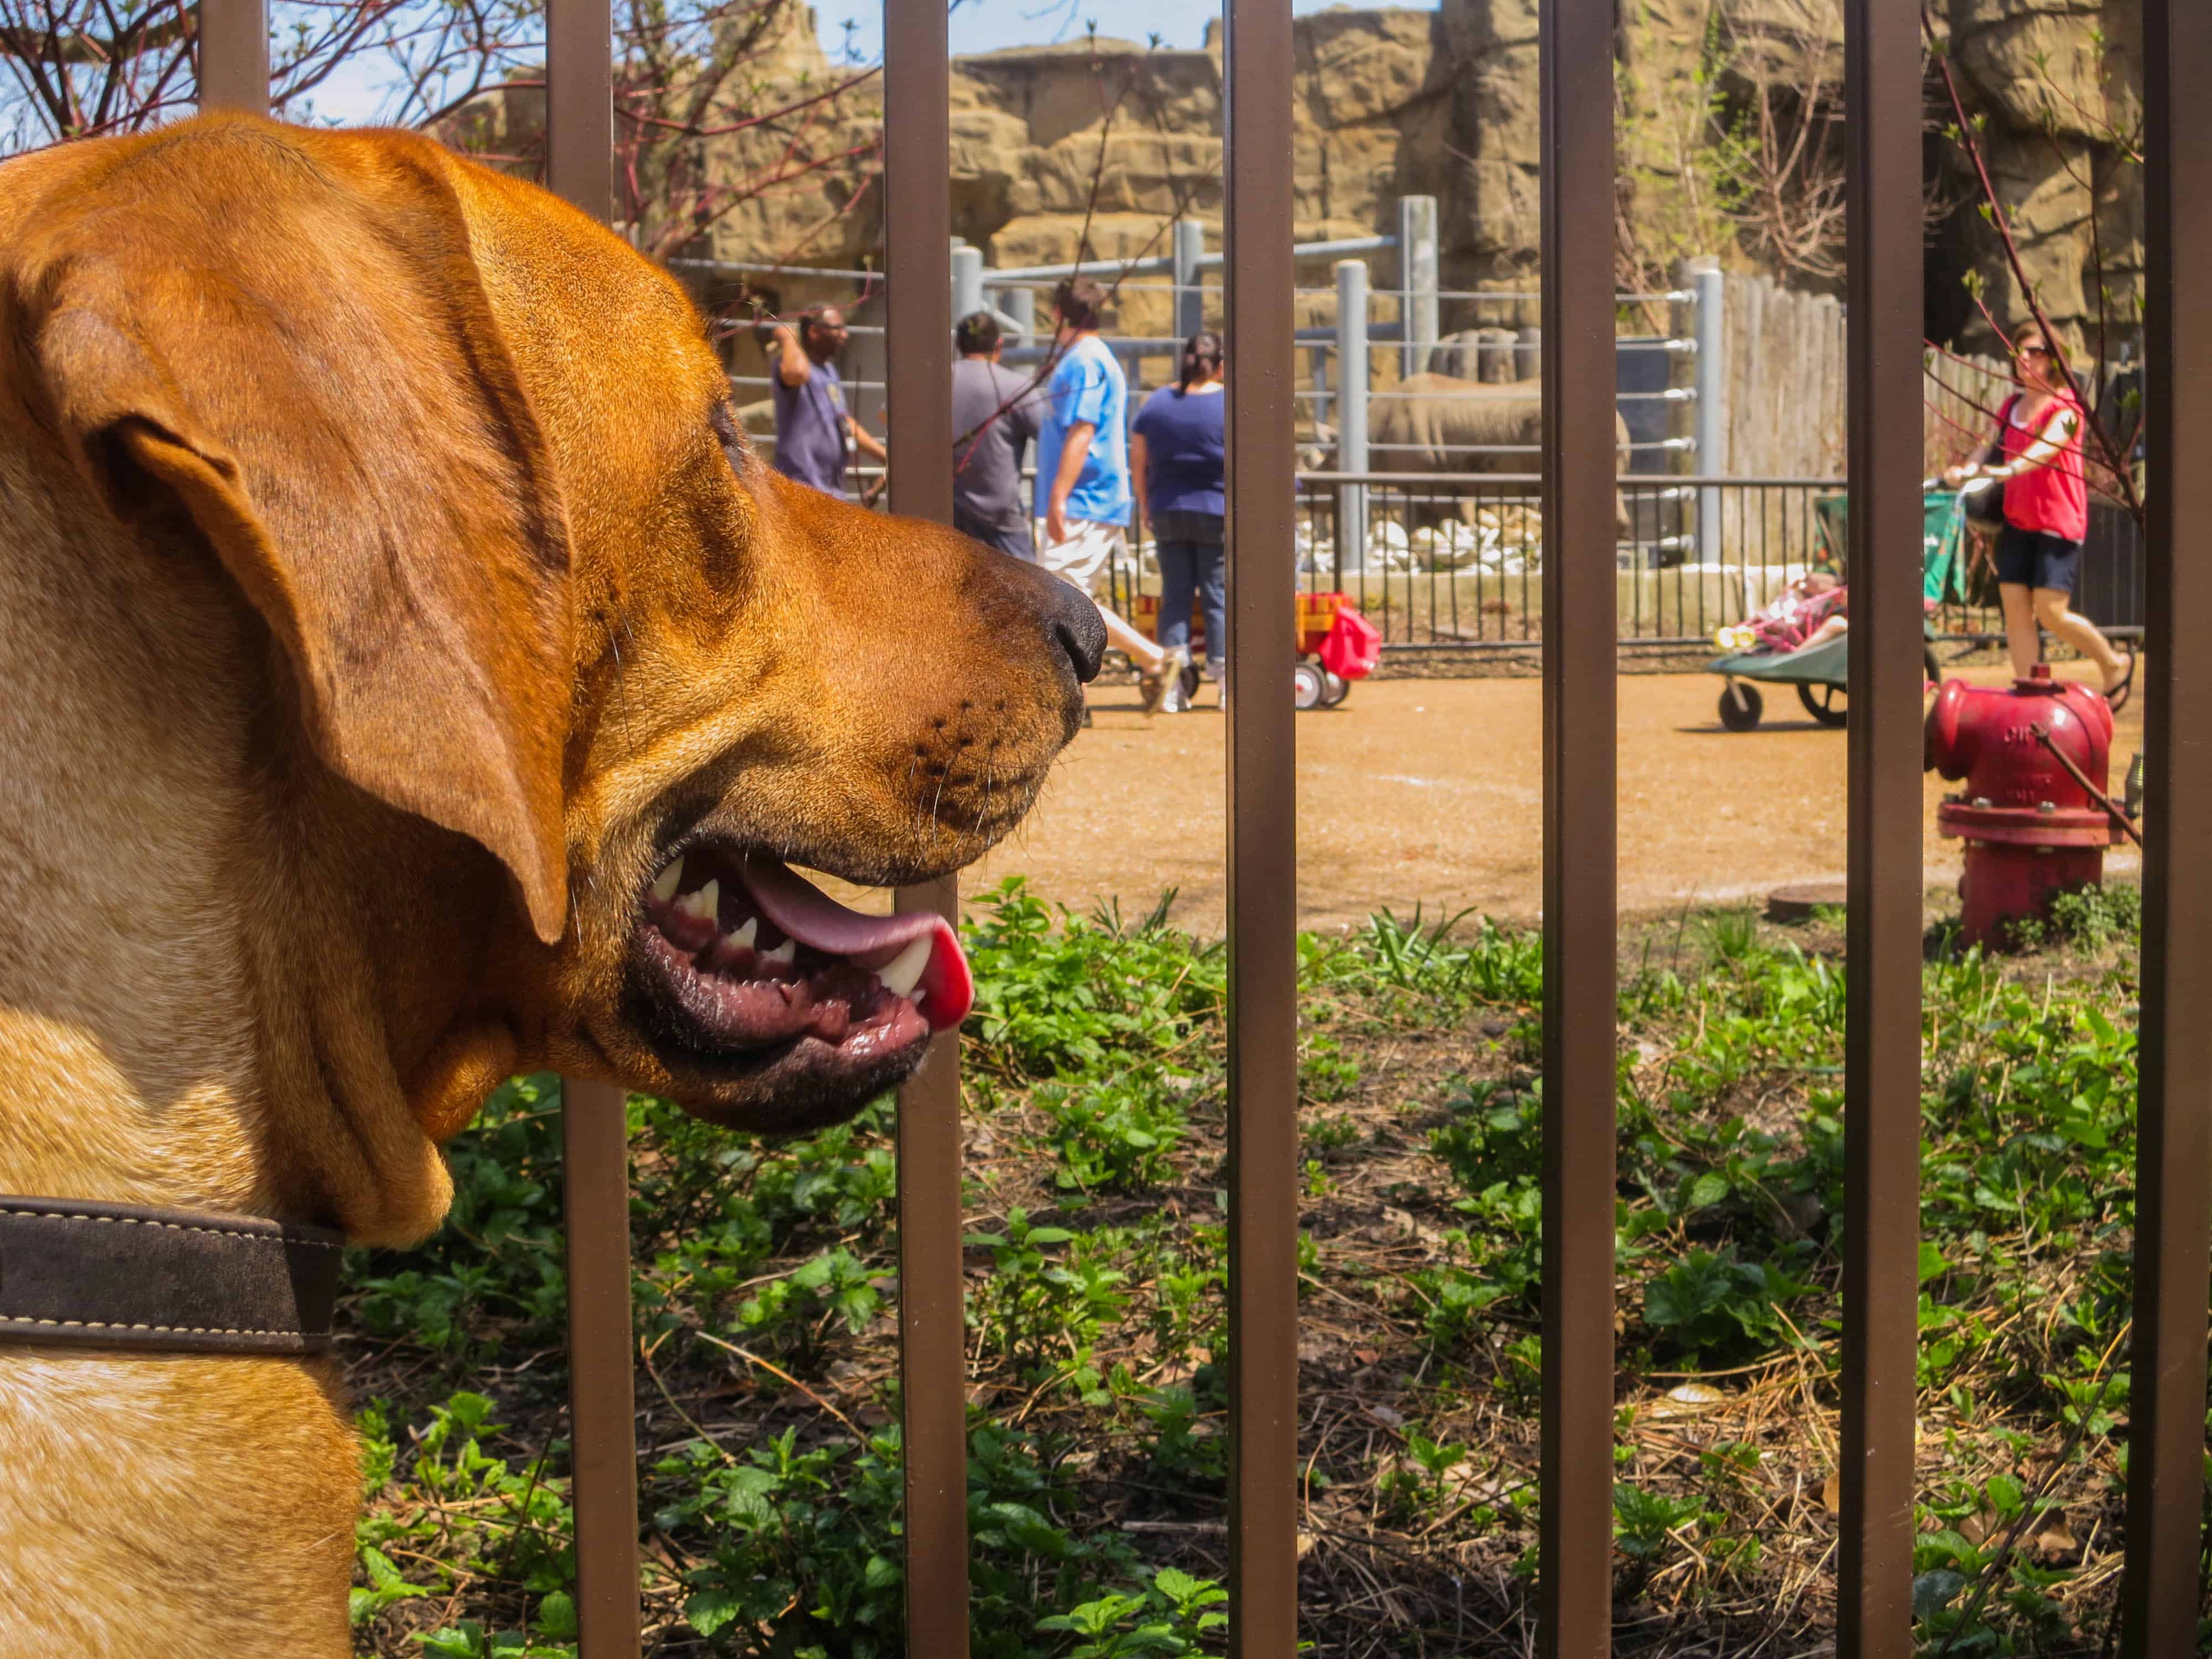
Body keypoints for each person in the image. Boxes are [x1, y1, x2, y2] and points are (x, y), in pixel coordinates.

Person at [1944, 324, 2134, 709]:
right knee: (2013, 602)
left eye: (2034, 352)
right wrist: (1966, 469)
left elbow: (2044, 450)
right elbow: (1986, 447)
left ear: (2052, 360)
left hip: (2058, 523)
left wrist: (2006, 471)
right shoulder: (2009, 407)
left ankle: (2114, 663)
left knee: (2051, 611)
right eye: (2020, 353)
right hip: (2018, 521)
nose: (2025, 359)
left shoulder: (2067, 409)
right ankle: (2030, 692)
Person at [1034, 276, 1181, 713]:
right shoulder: (1096, 357)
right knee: (1071, 599)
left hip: (1085, 496)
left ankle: (1154, 660)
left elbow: (1083, 430)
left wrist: (1058, 496)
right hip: (1092, 496)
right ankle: (1100, 685)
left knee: (1057, 597)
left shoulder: (1083, 360)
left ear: (1058, 314)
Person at [1131, 330, 1227, 713]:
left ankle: (1173, 686)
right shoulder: (1229, 404)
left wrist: (1144, 506)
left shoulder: (1156, 404)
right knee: (1217, 597)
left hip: (1168, 509)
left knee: (1176, 596)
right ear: (1221, 366)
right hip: (1216, 511)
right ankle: (1225, 684)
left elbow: (1139, 462)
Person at [760, 304, 888, 496]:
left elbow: (844, 423)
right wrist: (788, 337)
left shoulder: (829, 372)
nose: (845, 336)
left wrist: (886, 457)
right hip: (800, 489)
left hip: (831, 492)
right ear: (815, 332)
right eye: (838, 329)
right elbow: (796, 373)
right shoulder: (791, 365)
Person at [950, 310, 1042, 558]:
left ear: (958, 345)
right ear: (998, 345)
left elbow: (888, 415)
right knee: (1026, 593)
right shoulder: (1016, 387)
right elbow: (1049, 433)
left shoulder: (935, 382)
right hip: (1002, 522)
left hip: (947, 517)